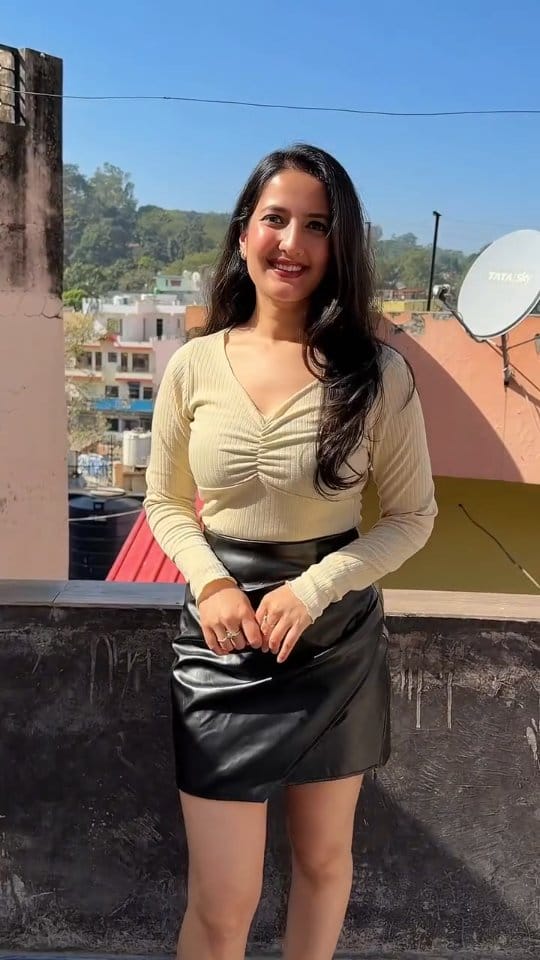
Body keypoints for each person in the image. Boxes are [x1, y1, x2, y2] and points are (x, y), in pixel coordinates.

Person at [144, 143, 437, 960]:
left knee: (322, 863)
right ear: (244, 231)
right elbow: (163, 501)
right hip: (221, 642)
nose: (293, 243)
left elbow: (412, 517)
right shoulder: (193, 364)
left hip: (333, 638)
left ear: (341, 247)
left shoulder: (379, 374)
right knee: (222, 901)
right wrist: (212, 584)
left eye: (318, 226)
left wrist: (313, 590)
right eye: (276, 219)